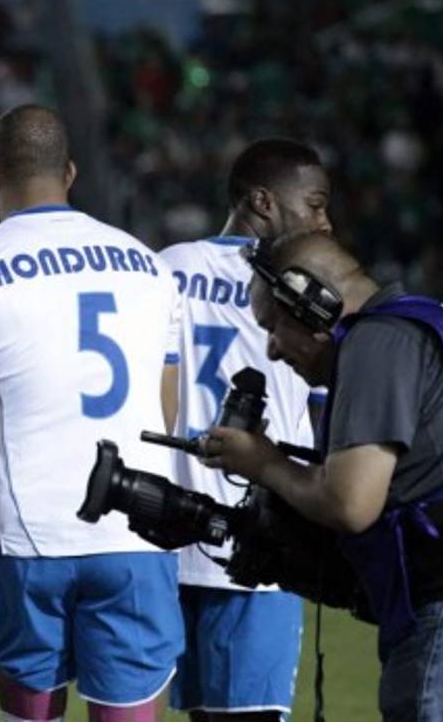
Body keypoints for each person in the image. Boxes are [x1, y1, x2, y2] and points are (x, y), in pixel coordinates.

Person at [0, 104, 184, 722]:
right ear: (69, 173)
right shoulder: (149, 267)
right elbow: (169, 414)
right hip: (134, 530)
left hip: (27, 539)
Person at [205, 230, 443, 722]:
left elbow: (350, 504)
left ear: (312, 305)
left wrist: (263, 463)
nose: (271, 350)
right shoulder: (430, 324)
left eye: (273, 326)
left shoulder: (376, 340)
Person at [161, 138, 331, 722]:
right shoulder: (306, 289)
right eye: (313, 205)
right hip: (262, 540)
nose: (323, 222)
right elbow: (323, 416)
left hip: (167, 532)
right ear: (263, 202)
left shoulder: (167, 267)